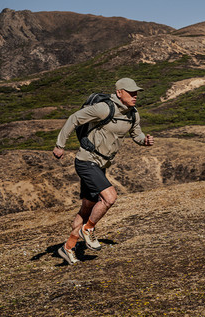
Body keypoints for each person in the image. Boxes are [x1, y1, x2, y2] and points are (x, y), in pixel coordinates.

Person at [53, 78, 154, 265]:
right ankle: (88, 229)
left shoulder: (133, 114)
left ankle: (68, 247)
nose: (135, 95)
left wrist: (144, 141)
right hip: (86, 160)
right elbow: (74, 119)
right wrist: (60, 145)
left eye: (136, 92)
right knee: (109, 197)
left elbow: (136, 134)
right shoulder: (103, 109)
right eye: (130, 92)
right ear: (119, 93)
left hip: (101, 165)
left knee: (87, 207)